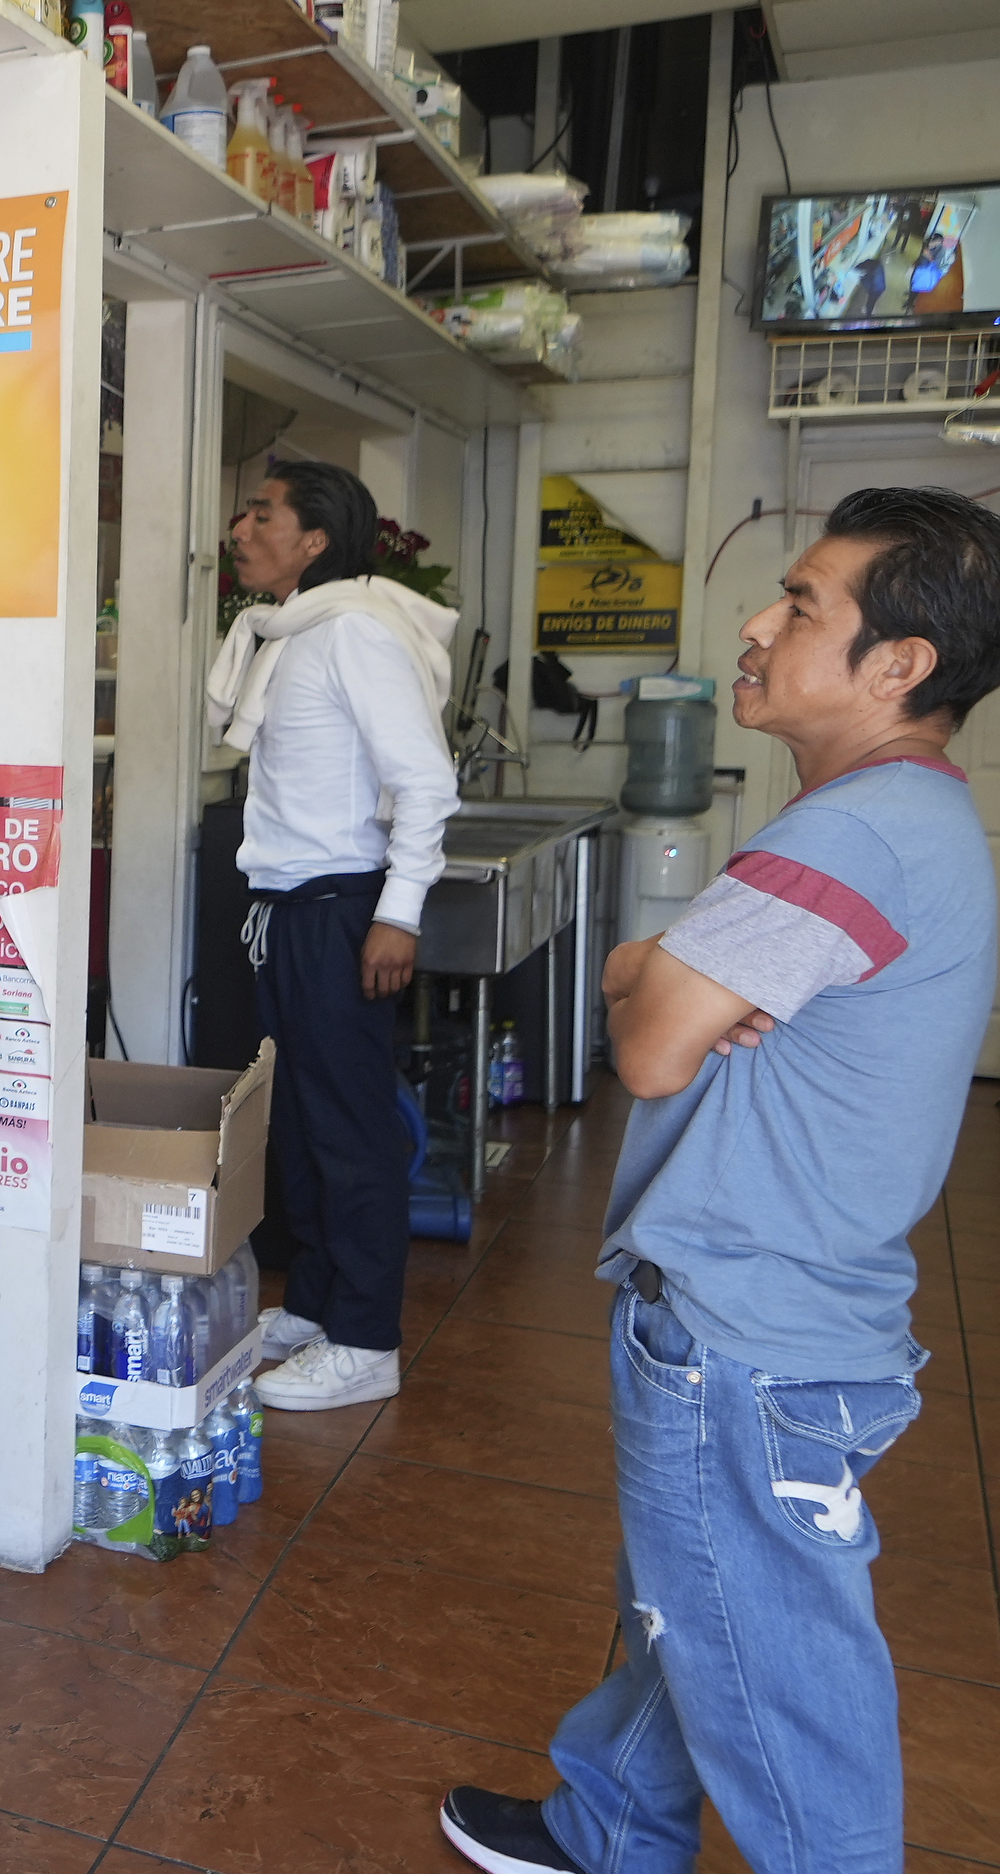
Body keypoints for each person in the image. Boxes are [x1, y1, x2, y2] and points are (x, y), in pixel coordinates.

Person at [440, 487, 1000, 1874]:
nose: (753, 626)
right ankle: (607, 1827)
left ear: (896, 665)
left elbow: (641, 1043)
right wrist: (677, 969)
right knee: (693, 1606)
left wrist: (651, 969)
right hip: (790, 1310)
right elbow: (677, 1009)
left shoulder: (845, 834)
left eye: (800, 604)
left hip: (748, 1336)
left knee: (778, 1686)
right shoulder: (910, 819)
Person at [207, 461, 459, 1411]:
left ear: (313, 540)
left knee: (349, 1130)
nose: (239, 527)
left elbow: (425, 783)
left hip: (340, 910)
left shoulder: (352, 632)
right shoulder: (289, 633)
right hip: (285, 909)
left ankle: (366, 1339)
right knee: (303, 1124)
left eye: (260, 513)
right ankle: (315, 1303)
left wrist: (397, 913)